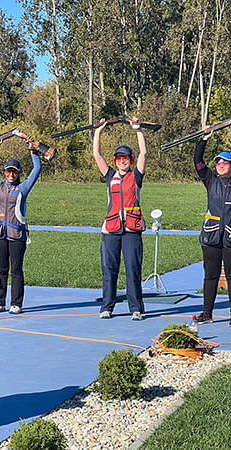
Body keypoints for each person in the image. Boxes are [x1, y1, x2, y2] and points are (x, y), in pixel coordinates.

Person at [194, 125, 231, 327]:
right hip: (211, 237)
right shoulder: (210, 180)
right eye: (218, 161)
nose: (220, 164)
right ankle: (206, 313)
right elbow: (198, 161)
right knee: (210, 276)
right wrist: (204, 139)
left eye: (225, 162)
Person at [93, 117, 148, 321]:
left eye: (126, 158)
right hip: (111, 231)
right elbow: (96, 154)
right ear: (115, 160)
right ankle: (107, 306)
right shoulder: (109, 176)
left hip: (132, 231)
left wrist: (138, 130)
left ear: (130, 160)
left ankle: (136, 308)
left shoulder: (136, 176)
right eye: (118, 158)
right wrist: (99, 131)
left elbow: (144, 153)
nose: (122, 161)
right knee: (109, 270)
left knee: (133, 269)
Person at [0, 138, 42, 314]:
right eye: (9, 171)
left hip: (17, 235)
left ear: (18, 174)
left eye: (14, 172)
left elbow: (37, 170)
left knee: (16, 270)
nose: (11, 174)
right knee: (1, 270)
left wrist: (33, 152)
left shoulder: (23, 188)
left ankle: (16, 303)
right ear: (5, 172)